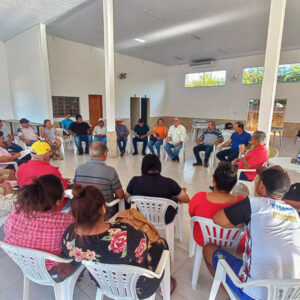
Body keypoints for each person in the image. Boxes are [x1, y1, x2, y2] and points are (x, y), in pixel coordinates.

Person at [203, 165, 300, 300]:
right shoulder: (294, 213)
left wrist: (240, 221)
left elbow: (218, 219)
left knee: (208, 249)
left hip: (254, 292)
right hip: (291, 294)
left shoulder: (254, 204)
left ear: (261, 185)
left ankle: (234, 294)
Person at [62, 184, 172, 299]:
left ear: (76, 213)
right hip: (138, 288)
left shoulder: (69, 237)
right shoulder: (127, 234)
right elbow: (144, 249)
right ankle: (167, 283)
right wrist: (127, 227)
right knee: (162, 244)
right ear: (103, 208)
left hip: (102, 283)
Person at [4, 175, 74, 282]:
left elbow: (7, 230)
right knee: (80, 254)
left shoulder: (18, 210)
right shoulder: (65, 221)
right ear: (58, 202)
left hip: (23, 263)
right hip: (52, 271)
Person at [189, 162, 245, 249]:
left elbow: (192, 215)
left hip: (203, 239)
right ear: (234, 183)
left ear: (213, 180)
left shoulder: (199, 197)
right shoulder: (243, 202)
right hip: (233, 242)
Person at [125, 154, 190, 224]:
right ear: (159, 166)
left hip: (142, 216)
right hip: (165, 219)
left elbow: (126, 198)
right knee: (175, 197)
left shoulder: (134, 181)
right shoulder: (170, 183)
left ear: (143, 166)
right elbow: (186, 200)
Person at [74, 141, 124, 219]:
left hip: (83, 212)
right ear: (104, 154)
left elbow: (75, 188)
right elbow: (120, 195)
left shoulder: (79, 168)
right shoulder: (110, 171)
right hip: (103, 214)